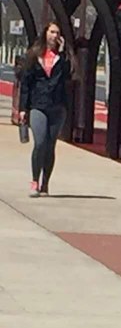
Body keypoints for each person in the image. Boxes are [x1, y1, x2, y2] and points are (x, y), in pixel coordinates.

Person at [18, 21, 73, 197]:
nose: (54, 36)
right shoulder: (34, 55)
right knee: (40, 143)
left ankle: (45, 183)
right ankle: (34, 180)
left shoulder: (62, 58)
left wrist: (63, 53)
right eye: (51, 32)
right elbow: (26, 83)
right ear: (45, 33)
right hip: (38, 105)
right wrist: (23, 108)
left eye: (57, 33)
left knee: (50, 146)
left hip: (57, 106)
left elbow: (67, 77)